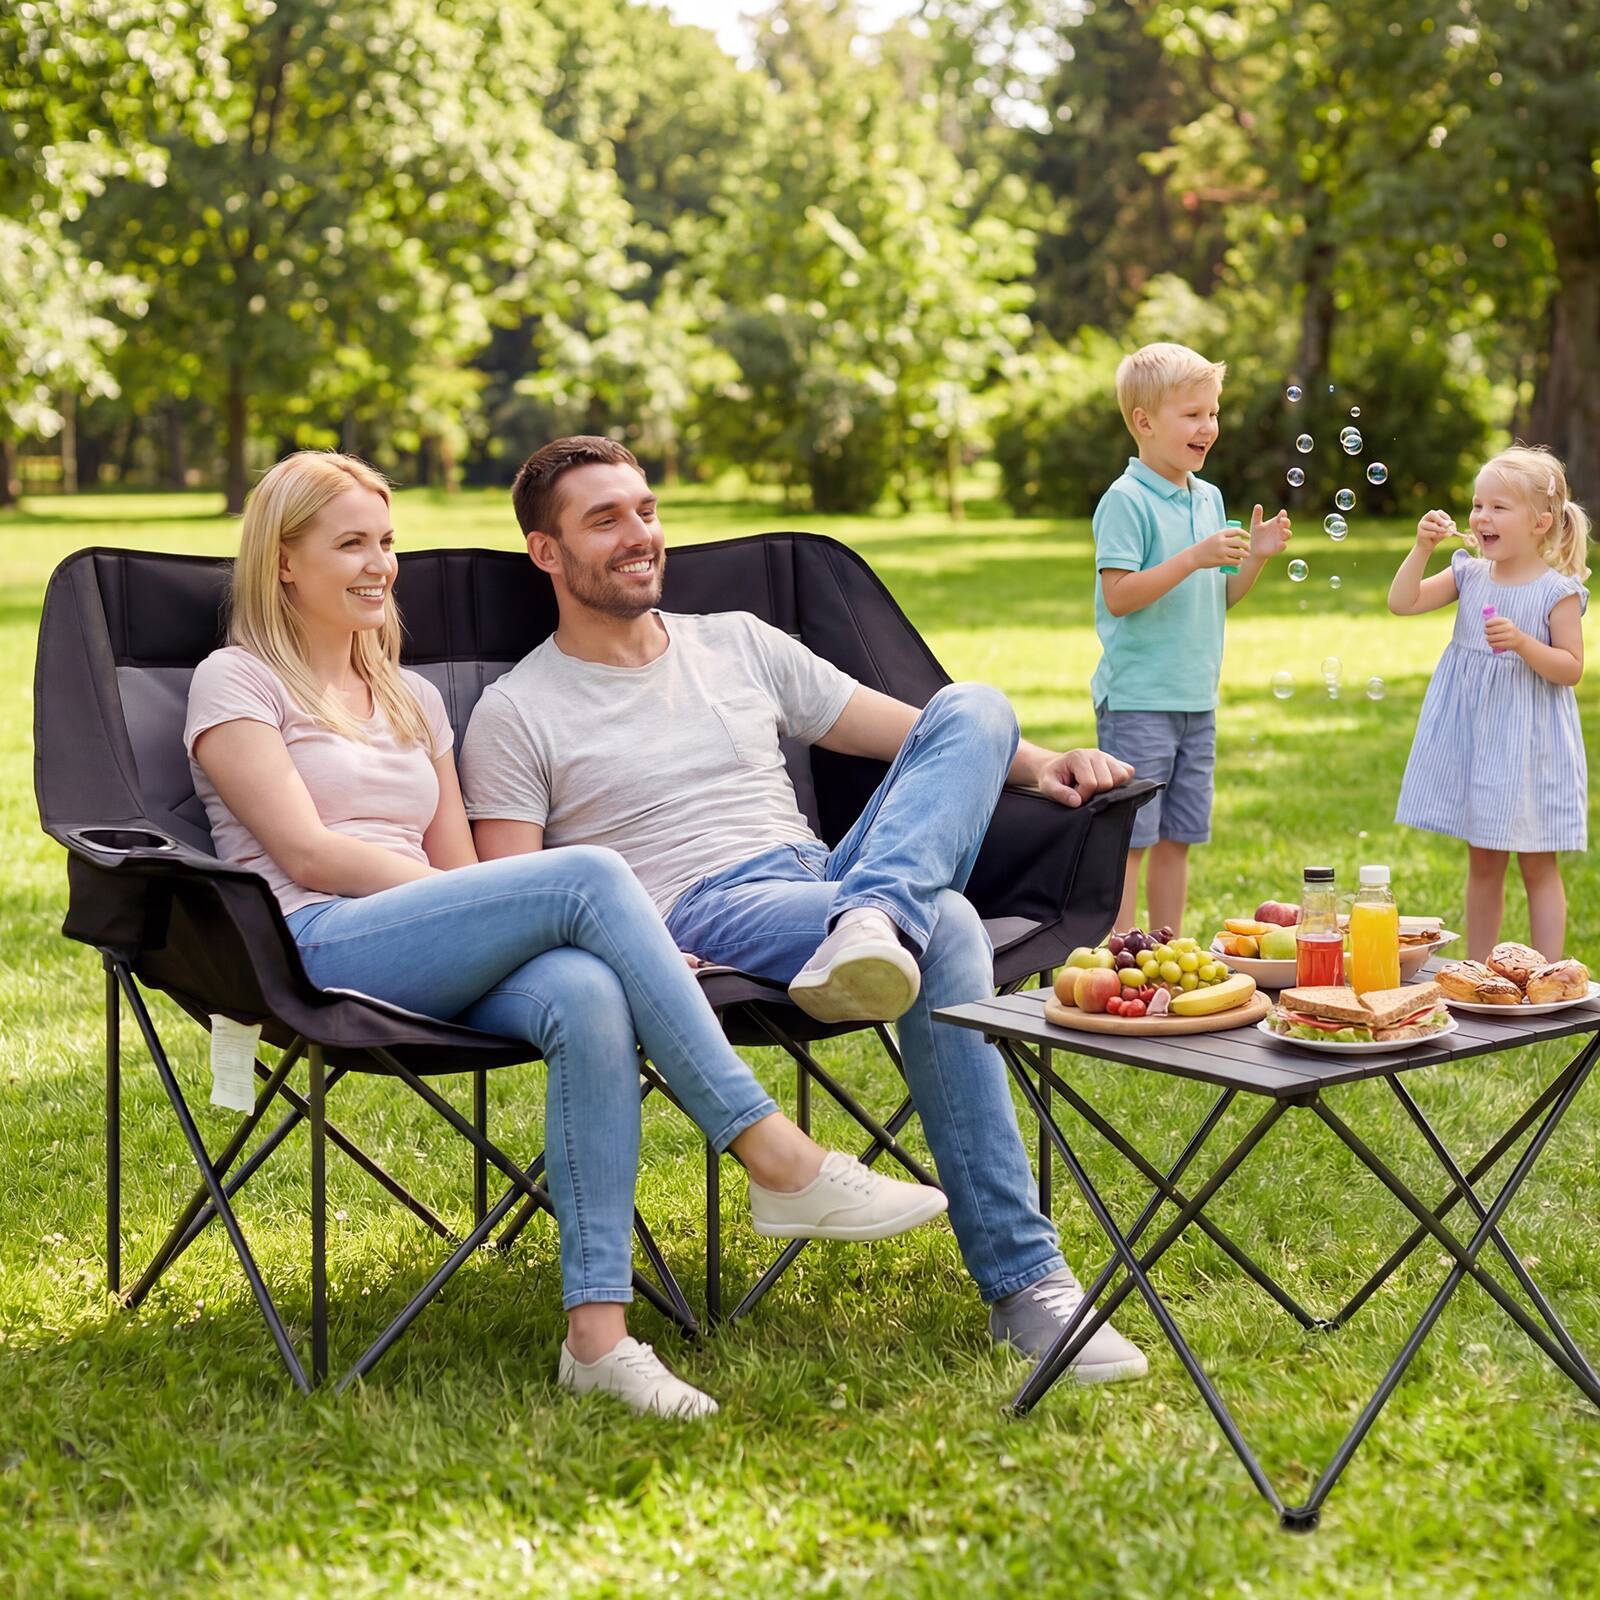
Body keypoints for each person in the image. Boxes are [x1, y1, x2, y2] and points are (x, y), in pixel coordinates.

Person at [183, 450, 947, 1420]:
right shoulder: (236, 681)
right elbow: (308, 851)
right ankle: (775, 1155)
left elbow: (464, 870)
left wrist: (575, 931)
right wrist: (496, 901)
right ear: (284, 561)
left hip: (427, 938)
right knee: (589, 874)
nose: (379, 565)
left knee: (588, 990)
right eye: (351, 545)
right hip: (310, 945)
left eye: (386, 542)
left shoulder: (412, 699)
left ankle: (597, 1338)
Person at [459, 435, 1149, 1381]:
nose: (639, 534)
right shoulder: (517, 709)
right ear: (547, 551)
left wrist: (1040, 763)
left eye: (646, 510)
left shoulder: (736, 641)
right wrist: (633, 952)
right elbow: (513, 891)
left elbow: (910, 731)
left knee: (978, 708)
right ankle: (1030, 1286)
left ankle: (872, 918)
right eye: (604, 520)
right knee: (947, 923)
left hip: (825, 875)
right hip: (697, 910)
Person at [1090, 342, 1293, 936]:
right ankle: (1124, 950)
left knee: (1178, 835)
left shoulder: (1208, 497)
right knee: (1132, 838)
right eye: (1193, 414)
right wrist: (1192, 557)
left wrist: (1255, 558)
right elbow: (1119, 595)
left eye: (1213, 413)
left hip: (1196, 699)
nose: (1209, 427)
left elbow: (1220, 596)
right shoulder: (1125, 501)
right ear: (1144, 422)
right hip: (1139, 700)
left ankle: (1168, 946)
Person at [1389, 444, 1589, 961]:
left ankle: (1548, 973)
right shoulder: (1469, 574)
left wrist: (1523, 643)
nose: (1481, 517)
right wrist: (1421, 549)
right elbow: (1402, 602)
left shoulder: (1557, 592)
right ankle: (1478, 969)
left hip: (1532, 746)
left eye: (1499, 507)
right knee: (1483, 861)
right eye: (1478, 505)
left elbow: (1570, 668)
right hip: (1479, 742)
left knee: (1538, 864)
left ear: (1541, 522)